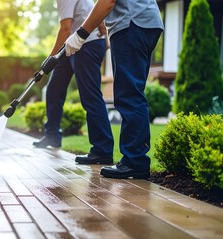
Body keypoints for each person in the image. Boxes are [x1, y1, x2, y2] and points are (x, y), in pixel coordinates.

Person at [64, 0, 163, 179]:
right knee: (132, 92)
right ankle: (135, 159)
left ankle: (135, 161)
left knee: (128, 94)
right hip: (146, 22)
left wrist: (81, 34)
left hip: (131, 24)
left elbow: (107, 2)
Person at [33, 0, 114, 166]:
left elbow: (65, 28)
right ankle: (52, 135)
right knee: (54, 88)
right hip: (72, 45)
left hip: (86, 43)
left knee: (90, 95)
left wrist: (50, 58)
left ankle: (102, 149)